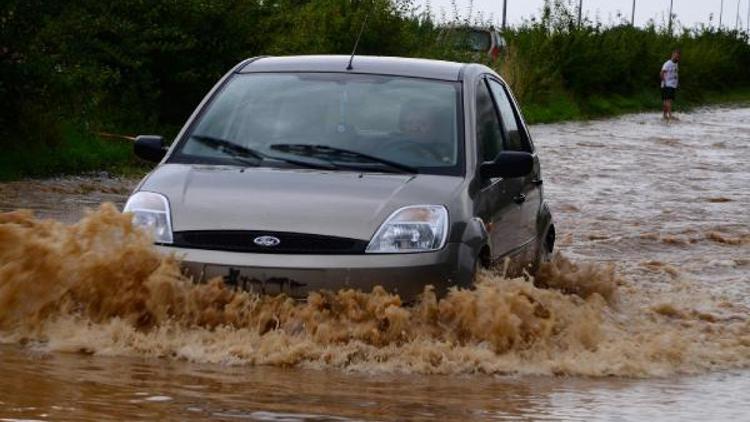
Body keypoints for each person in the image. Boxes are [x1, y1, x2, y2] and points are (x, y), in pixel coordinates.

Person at [660, 49, 680, 121]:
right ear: (673, 55)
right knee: (668, 101)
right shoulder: (667, 63)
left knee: (666, 101)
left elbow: (676, 74)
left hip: (672, 85)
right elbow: (661, 73)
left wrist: (677, 83)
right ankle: (670, 116)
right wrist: (664, 83)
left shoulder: (676, 64)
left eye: (678, 57)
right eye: (676, 56)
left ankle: (665, 116)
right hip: (667, 85)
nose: (677, 58)